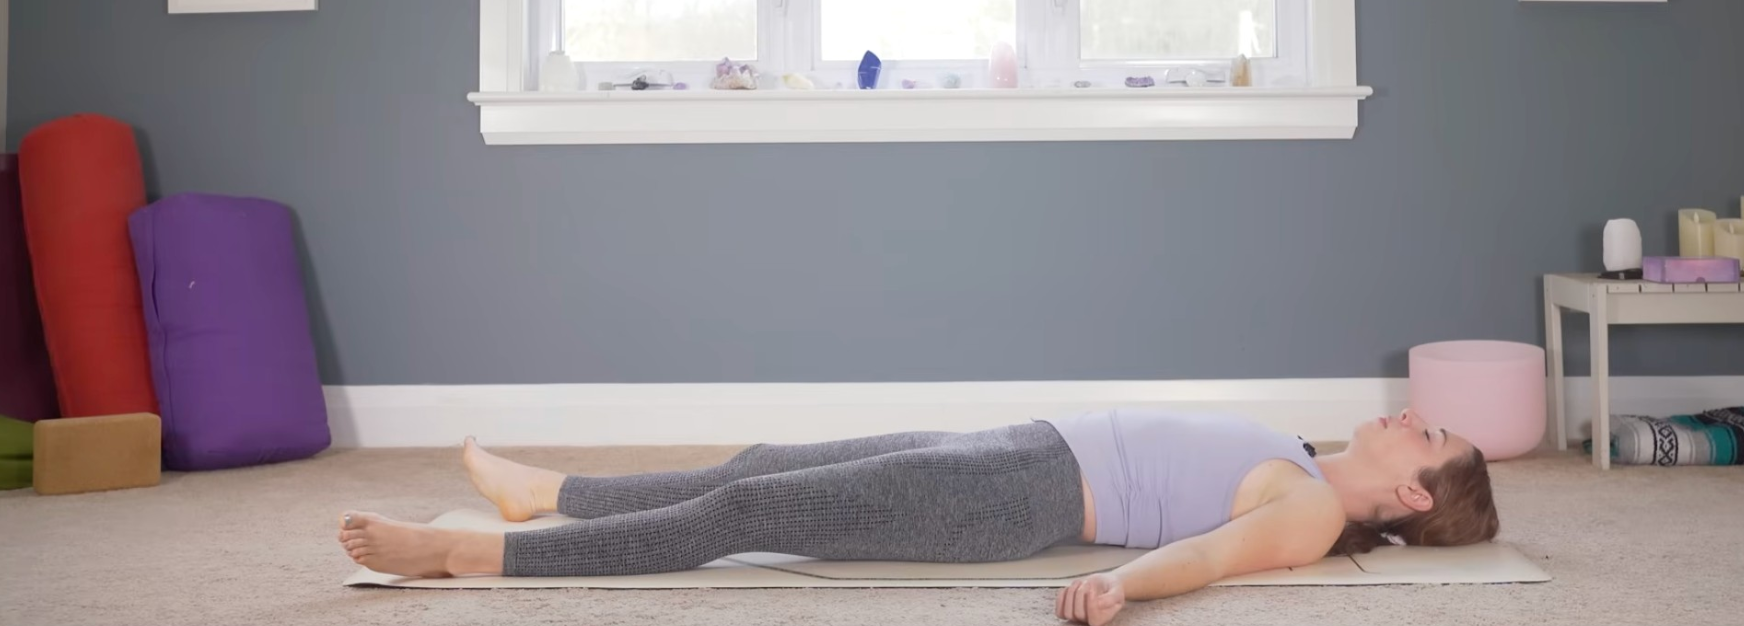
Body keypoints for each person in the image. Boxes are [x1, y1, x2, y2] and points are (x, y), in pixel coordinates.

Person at [339, 408, 1497, 624]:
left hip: (1007, 499)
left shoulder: (1307, 510)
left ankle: (473, 556)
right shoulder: (1298, 452)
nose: (1413, 416)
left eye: (1429, 436)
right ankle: (548, 495)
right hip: (1016, 449)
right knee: (763, 463)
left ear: (1412, 496)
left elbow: (1207, 556)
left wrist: (1120, 587)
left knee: (745, 509)